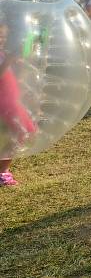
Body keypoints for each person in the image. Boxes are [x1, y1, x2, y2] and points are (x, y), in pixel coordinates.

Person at [0, 24, 37, 187]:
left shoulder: (2, 54)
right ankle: (3, 172)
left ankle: (3, 169)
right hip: (4, 102)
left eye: (3, 36)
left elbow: (16, 74)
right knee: (19, 132)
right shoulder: (4, 57)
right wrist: (8, 61)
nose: (2, 39)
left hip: (11, 100)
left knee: (23, 132)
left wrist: (21, 60)